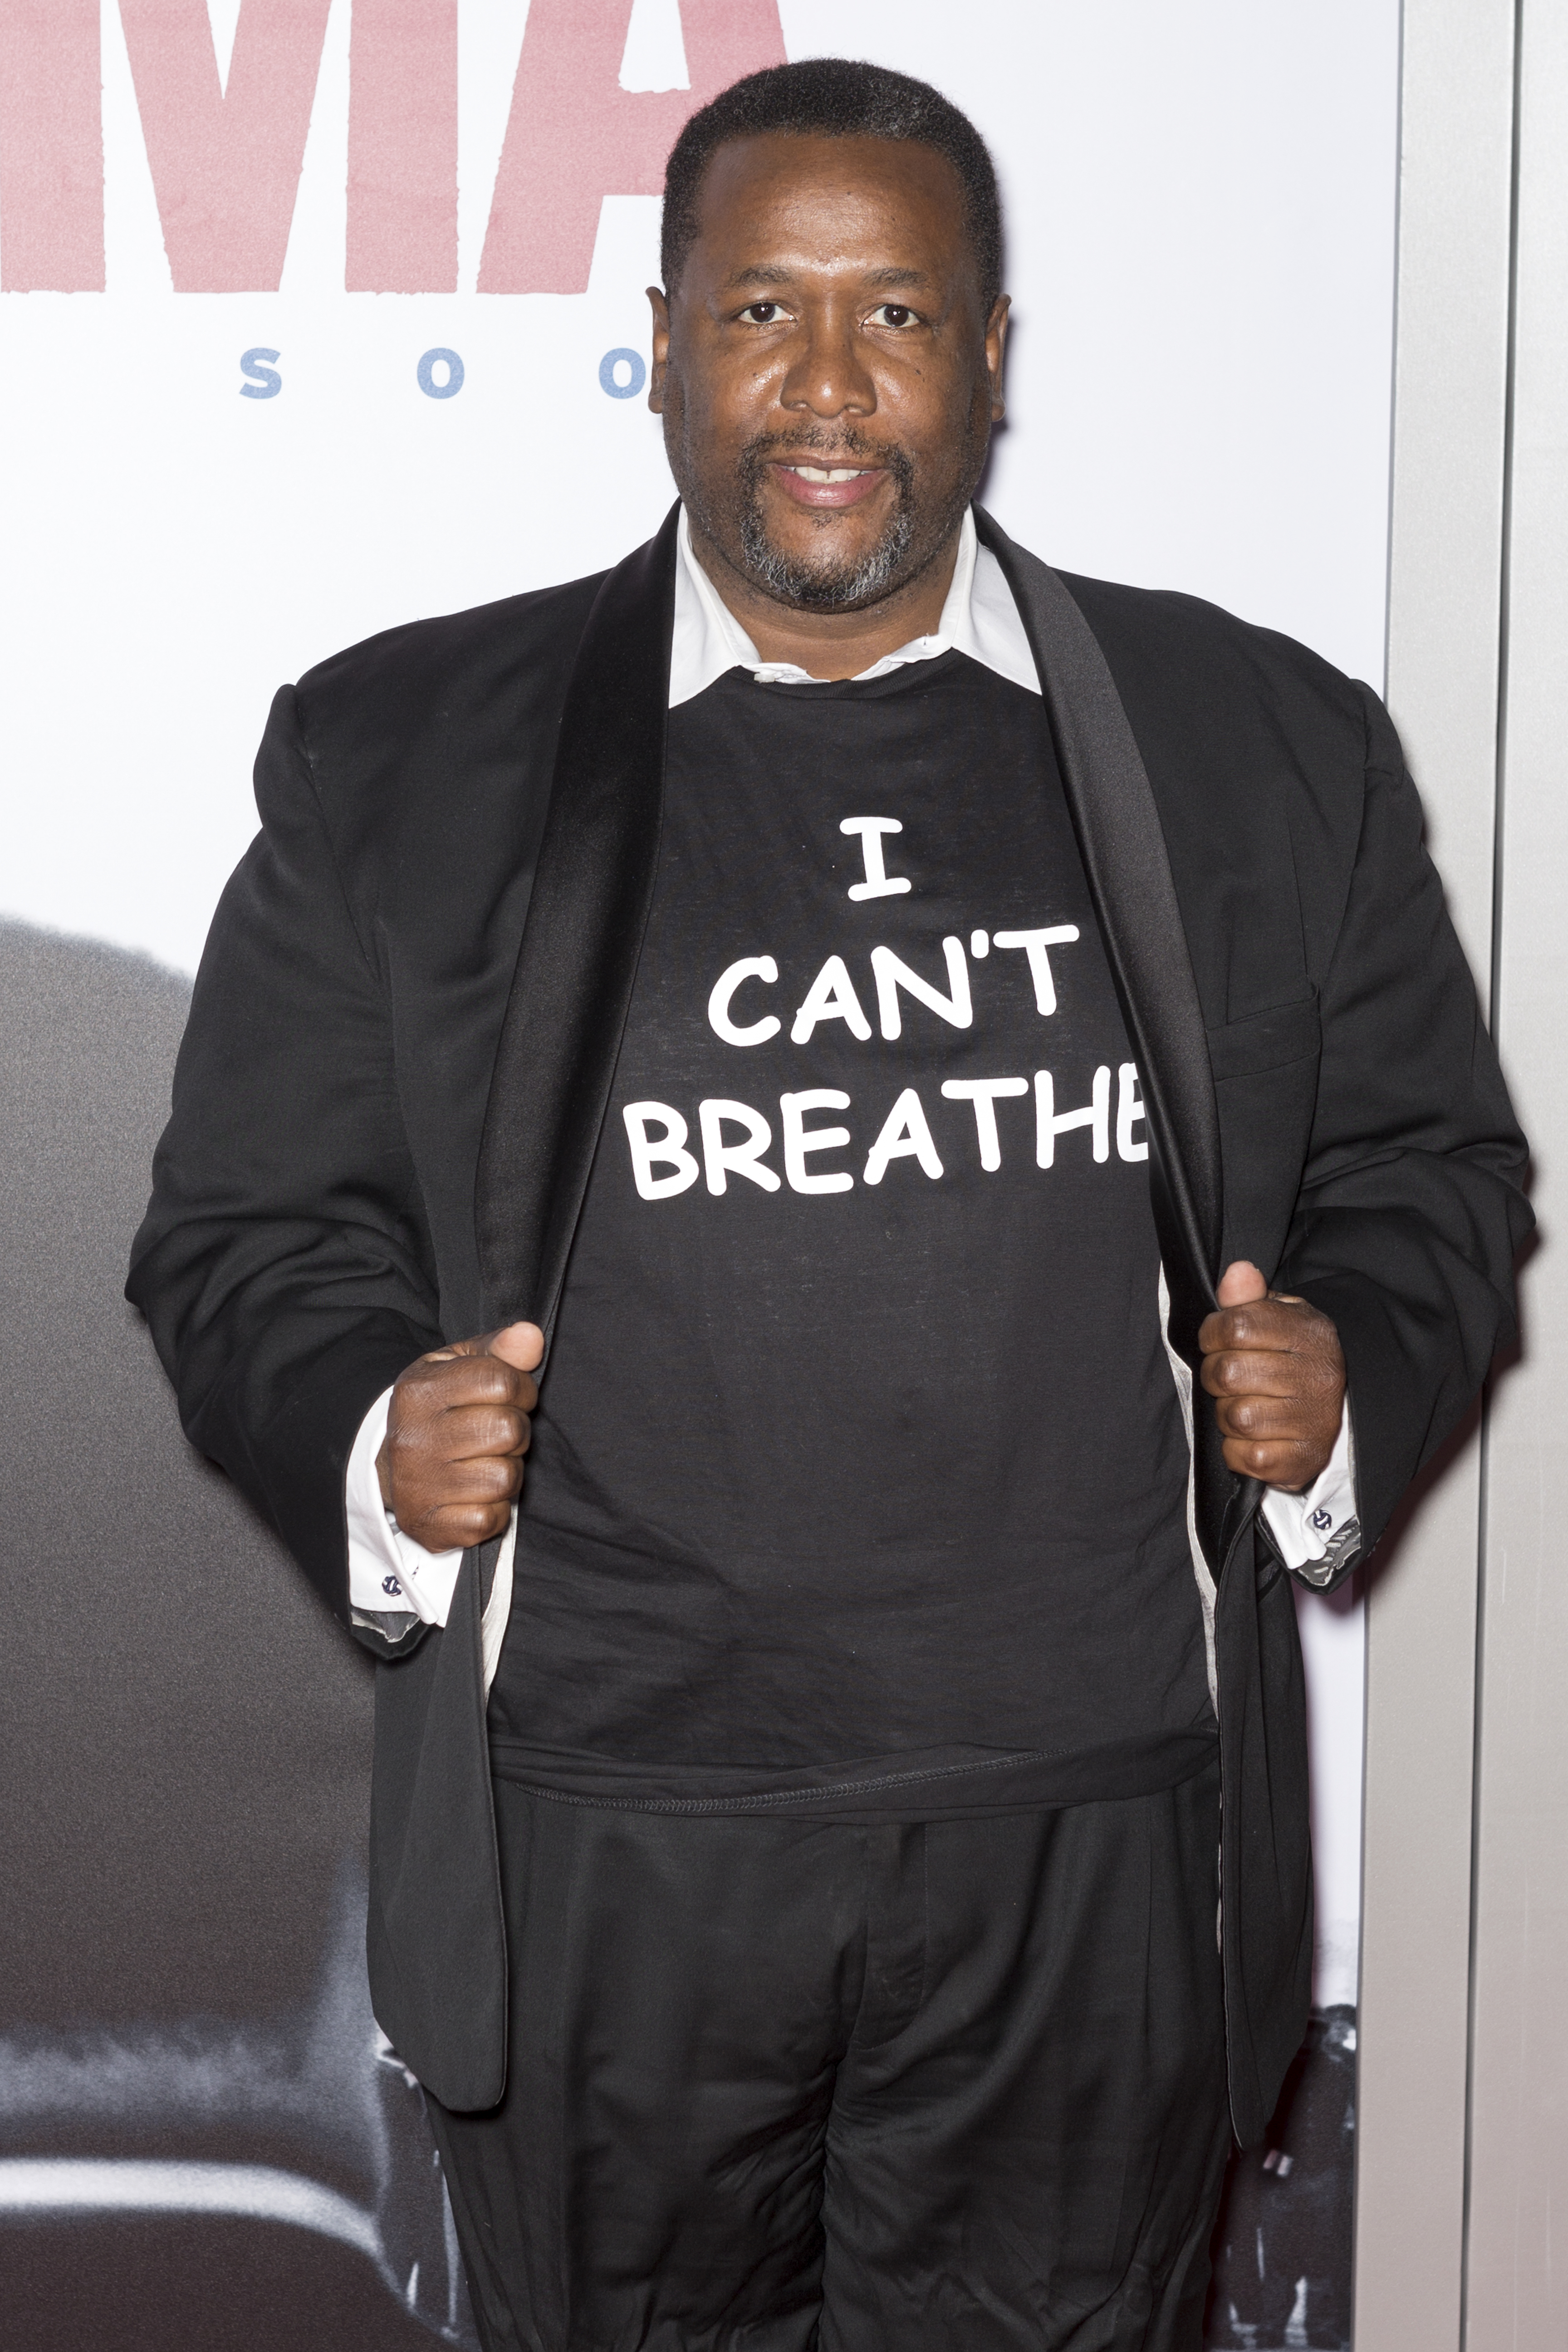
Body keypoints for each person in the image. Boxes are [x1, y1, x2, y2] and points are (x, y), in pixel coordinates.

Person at [128, 58, 1529, 2352]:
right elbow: (245, 1234)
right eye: (765, 311)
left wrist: (1357, 1352)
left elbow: (1429, 1166)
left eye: (895, 315)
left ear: (991, 353)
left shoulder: (1262, 738)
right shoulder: (405, 753)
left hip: (1097, 1834)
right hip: (613, 1837)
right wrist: (373, 1433)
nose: (827, 389)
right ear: (664, 339)